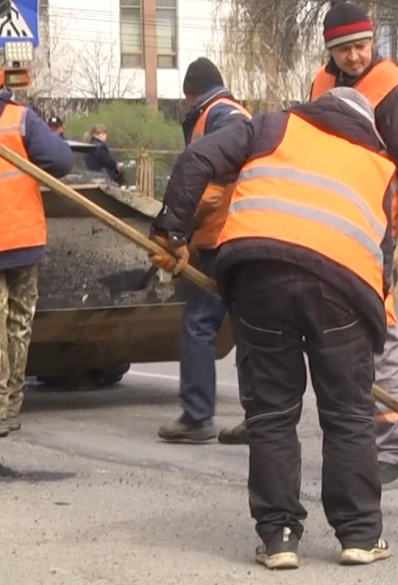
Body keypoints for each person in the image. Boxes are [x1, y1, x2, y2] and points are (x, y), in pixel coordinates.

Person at [149, 87, 396, 570]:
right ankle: (361, 536)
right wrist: (370, 343)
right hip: (344, 290)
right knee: (348, 413)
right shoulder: (379, 165)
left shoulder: (271, 126)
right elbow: (382, 265)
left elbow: (197, 159)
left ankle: (280, 538)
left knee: (272, 413)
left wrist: (171, 233)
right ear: (366, 125)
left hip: (259, 275)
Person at [221, 1, 398, 492]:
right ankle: (353, 443)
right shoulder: (323, 85)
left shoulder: (393, 92)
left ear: (373, 39)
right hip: (324, 231)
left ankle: (392, 453)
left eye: (361, 46)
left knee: (378, 339)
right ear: (329, 50)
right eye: (344, 50)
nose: (355, 57)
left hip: (370, 233)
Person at [0, 55, 73, 437]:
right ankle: (9, 405)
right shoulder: (18, 117)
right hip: (24, 238)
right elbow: (61, 161)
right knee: (18, 324)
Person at [156, 57, 252, 444]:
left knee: (199, 323)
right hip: (238, 233)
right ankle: (259, 417)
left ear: (190, 94)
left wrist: (177, 232)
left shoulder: (223, 114)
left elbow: (216, 175)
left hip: (220, 238)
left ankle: (197, 417)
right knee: (247, 328)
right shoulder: (227, 113)